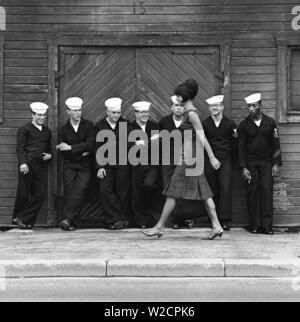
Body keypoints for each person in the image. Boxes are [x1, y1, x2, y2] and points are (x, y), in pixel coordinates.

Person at [142, 79, 224, 240]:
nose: (176, 97)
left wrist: (212, 156)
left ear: (185, 96)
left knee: (172, 192)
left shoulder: (191, 114)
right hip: (191, 157)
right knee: (205, 193)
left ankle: (159, 227)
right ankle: (217, 226)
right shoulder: (189, 112)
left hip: (189, 159)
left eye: (178, 95)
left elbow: (202, 136)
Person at [238, 93, 282, 235]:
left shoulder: (270, 123)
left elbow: (276, 144)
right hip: (251, 162)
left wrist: (275, 164)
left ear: (260, 106)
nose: (251, 108)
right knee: (253, 192)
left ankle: (267, 227)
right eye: (249, 106)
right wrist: (244, 167)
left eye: (254, 106)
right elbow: (241, 148)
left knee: (266, 192)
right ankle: (255, 226)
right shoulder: (244, 125)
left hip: (266, 162)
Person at [57, 97, 95, 231]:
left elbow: (90, 145)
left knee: (80, 190)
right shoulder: (62, 129)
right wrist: (81, 150)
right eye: (75, 111)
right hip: (70, 164)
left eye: (79, 110)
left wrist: (71, 148)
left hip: (85, 166)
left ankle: (67, 219)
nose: (78, 113)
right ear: (68, 111)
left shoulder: (88, 125)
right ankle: (71, 221)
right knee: (69, 190)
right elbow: (62, 150)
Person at [13, 102, 52, 229]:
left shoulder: (47, 131)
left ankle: (22, 218)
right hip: (28, 163)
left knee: (40, 194)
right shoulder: (24, 129)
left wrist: (49, 155)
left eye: (43, 115)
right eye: (39, 115)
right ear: (32, 115)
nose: (42, 118)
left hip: (40, 165)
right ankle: (23, 220)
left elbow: (49, 149)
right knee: (24, 192)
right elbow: (20, 147)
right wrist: (23, 162)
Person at [94, 98, 131, 230]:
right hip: (106, 164)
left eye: (118, 112)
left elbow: (129, 144)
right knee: (105, 190)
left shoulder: (125, 124)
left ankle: (120, 219)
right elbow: (98, 147)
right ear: (107, 112)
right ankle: (114, 219)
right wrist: (100, 167)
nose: (116, 115)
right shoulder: (99, 126)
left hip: (122, 163)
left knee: (122, 192)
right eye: (114, 113)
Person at [203, 95, 238, 231]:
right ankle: (212, 219)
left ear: (222, 107)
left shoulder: (230, 124)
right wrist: (210, 159)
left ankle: (224, 220)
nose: (215, 108)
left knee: (225, 188)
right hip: (210, 160)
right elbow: (201, 142)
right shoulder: (205, 123)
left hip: (225, 161)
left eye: (217, 105)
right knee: (211, 190)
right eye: (212, 106)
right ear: (209, 108)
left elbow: (235, 145)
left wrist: (231, 162)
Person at [159, 95, 193, 229]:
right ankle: (172, 220)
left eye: (181, 105)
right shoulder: (164, 121)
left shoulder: (189, 121)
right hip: (168, 159)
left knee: (184, 188)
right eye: (176, 105)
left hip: (185, 158)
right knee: (168, 187)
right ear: (171, 107)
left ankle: (183, 219)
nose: (179, 108)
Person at [130, 101, 160, 229]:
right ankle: (140, 220)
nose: (145, 115)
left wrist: (145, 143)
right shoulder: (129, 127)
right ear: (136, 113)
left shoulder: (154, 126)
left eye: (146, 112)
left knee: (148, 186)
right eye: (142, 112)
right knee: (136, 192)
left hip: (151, 163)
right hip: (135, 164)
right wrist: (136, 144)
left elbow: (158, 145)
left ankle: (151, 216)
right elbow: (126, 145)